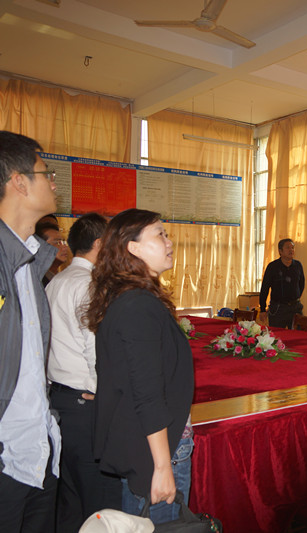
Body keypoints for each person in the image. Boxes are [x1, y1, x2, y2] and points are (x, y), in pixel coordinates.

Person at [86, 208, 194, 524]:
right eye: (160, 235)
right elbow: (147, 393)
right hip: (158, 452)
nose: (169, 242)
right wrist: (161, 467)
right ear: (132, 247)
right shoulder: (137, 305)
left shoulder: (133, 298)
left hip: (149, 447)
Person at [0, 131, 62, 532]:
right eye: (46, 173)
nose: (54, 184)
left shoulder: (32, 261)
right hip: (7, 457)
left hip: (38, 449)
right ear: (18, 182)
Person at [46, 212, 120, 532]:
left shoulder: (57, 280)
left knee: (71, 501)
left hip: (60, 400)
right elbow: (96, 351)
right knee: (101, 506)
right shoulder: (90, 285)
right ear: (100, 244)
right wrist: (107, 398)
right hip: (85, 405)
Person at [259, 238, 305, 328]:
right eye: (288, 247)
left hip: (295, 308)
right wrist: (262, 309)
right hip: (278, 309)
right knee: (277, 335)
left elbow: (301, 285)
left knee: (299, 334)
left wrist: (295, 298)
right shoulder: (272, 267)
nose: (291, 250)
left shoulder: (298, 265)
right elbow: (264, 288)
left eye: (292, 247)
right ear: (280, 251)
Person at [35, 213, 70, 285]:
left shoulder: (59, 278)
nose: (64, 247)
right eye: (57, 243)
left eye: (63, 242)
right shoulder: (37, 281)